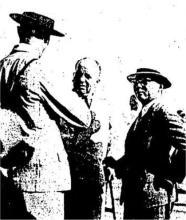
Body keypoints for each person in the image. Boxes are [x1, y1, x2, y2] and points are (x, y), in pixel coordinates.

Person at [0, 11, 91, 219]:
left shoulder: (2, 66)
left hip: (12, 171)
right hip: (42, 178)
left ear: (19, 31)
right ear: (46, 39)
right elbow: (82, 117)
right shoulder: (36, 68)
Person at [104, 68, 186, 219]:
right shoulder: (143, 114)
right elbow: (136, 156)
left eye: (145, 82)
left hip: (153, 199)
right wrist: (116, 165)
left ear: (160, 87)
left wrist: (172, 175)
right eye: (136, 82)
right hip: (134, 197)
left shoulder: (163, 111)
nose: (138, 86)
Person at [59, 57, 112, 219]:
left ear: (97, 80)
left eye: (87, 76)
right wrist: (89, 130)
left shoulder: (104, 107)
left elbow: (110, 138)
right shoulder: (64, 104)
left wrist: (109, 161)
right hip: (70, 176)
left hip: (95, 178)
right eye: (78, 75)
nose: (82, 80)